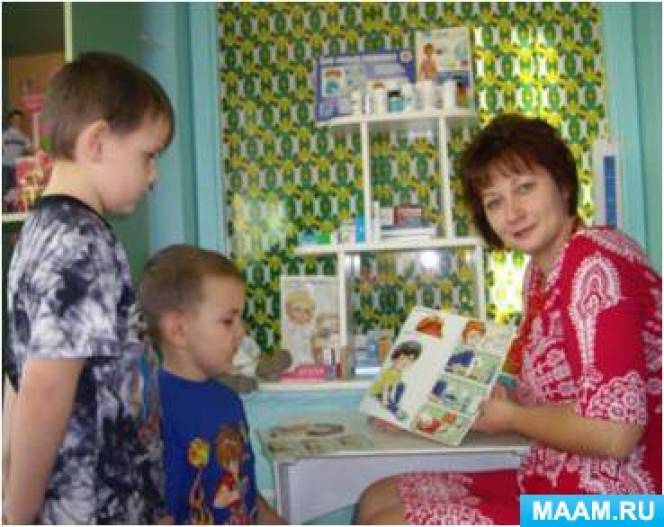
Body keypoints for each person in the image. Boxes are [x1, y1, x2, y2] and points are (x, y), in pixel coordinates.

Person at [355, 114, 662, 524]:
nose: (512, 213)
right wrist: (420, 410)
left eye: (525, 188)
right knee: (378, 496)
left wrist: (513, 418)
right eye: (494, 202)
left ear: (563, 184)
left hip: (619, 505)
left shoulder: (593, 264)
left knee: (385, 522)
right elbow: (563, 399)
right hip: (556, 478)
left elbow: (614, 433)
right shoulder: (540, 274)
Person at [3, 51, 174, 524]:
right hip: (92, 507)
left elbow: (17, 375)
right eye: (148, 155)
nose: (154, 175)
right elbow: (44, 388)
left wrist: (8, 473)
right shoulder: (83, 242)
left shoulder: (38, 232)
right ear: (97, 142)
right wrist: (19, 510)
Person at [138, 244, 285, 524]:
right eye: (228, 321)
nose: (242, 332)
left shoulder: (228, 400)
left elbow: (243, 489)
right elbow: (160, 515)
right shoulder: (157, 412)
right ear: (178, 330)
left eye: (240, 319)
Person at [2, 109, 32, 197]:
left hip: (18, 167)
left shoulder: (24, 137)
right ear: (10, 120)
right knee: (4, 189)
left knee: (16, 190)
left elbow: (30, 150)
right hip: (5, 166)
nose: (17, 121)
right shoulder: (4, 135)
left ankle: (10, 204)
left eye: (19, 119)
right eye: (14, 119)